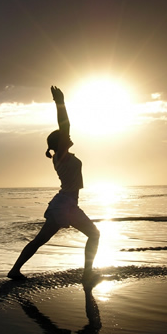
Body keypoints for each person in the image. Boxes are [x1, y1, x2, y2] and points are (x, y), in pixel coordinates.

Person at [7, 86, 100, 286]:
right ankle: (87, 274)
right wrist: (60, 103)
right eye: (65, 137)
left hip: (62, 204)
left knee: (40, 240)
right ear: (61, 143)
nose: (69, 137)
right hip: (66, 205)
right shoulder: (62, 155)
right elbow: (65, 125)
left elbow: (64, 130)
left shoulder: (60, 157)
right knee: (94, 234)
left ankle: (15, 270)